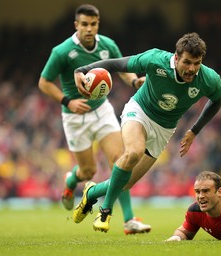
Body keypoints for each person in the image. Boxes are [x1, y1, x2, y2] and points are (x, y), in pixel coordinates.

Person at [72, 32, 221, 233]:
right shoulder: (155, 59)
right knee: (134, 152)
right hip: (140, 111)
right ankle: (105, 210)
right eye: (187, 62)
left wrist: (194, 131)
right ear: (176, 57)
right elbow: (117, 64)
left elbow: (218, 100)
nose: (191, 69)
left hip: (164, 129)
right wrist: (83, 70)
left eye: (196, 63)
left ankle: (91, 193)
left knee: (126, 183)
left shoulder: (209, 79)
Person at [38, 4, 151, 234]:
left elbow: (123, 68)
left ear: (98, 24)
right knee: (87, 171)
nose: (89, 29)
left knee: (121, 159)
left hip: (102, 111)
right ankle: (71, 182)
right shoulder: (62, 52)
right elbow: (44, 83)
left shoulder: (107, 45)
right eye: (85, 24)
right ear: (76, 25)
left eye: (93, 24)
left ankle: (129, 220)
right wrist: (67, 101)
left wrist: (134, 81)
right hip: (74, 116)